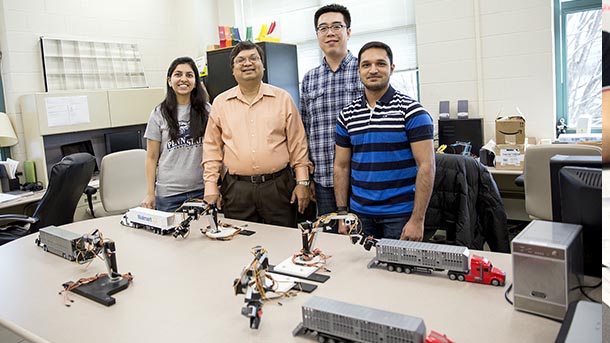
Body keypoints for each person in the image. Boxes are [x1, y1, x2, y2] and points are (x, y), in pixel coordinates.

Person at [202, 41, 313, 228]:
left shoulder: (283, 99)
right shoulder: (220, 103)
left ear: (263, 65)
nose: (247, 63)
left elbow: (298, 145)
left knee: (283, 241)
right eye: (240, 60)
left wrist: (302, 182)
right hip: (237, 189)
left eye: (254, 58)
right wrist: (210, 185)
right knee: (239, 242)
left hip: (277, 187)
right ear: (233, 69)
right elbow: (212, 148)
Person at [334, 41, 435, 241]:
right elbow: (341, 166)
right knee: (359, 271)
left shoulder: (412, 112)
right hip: (360, 214)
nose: (373, 70)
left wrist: (417, 220)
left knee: (397, 272)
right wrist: (342, 214)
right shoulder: (347, 115)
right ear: (358, 70)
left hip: (400, 215)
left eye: (380, 63)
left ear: (392, 68)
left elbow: (427, 166)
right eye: (366, 65)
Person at [300, 3, 364, 219]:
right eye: (323, 28)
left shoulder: (365, 70)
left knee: (362, 242)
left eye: (336, 26)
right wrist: (306, 179)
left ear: (348, 31)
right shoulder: (310, 78)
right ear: (317, 34)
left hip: (362, 177)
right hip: (323, 180)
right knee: (329, 243)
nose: (330, 33)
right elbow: (305, 130)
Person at [141, 57, 210, 212]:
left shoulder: (207, 111)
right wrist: (150, 193)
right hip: (169, 195)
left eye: (189, 75)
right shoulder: (158, 114)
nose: (183, 79)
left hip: (202, 190)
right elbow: (151, 157)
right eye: (178, 74)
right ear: (169, 80)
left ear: (195, 81)